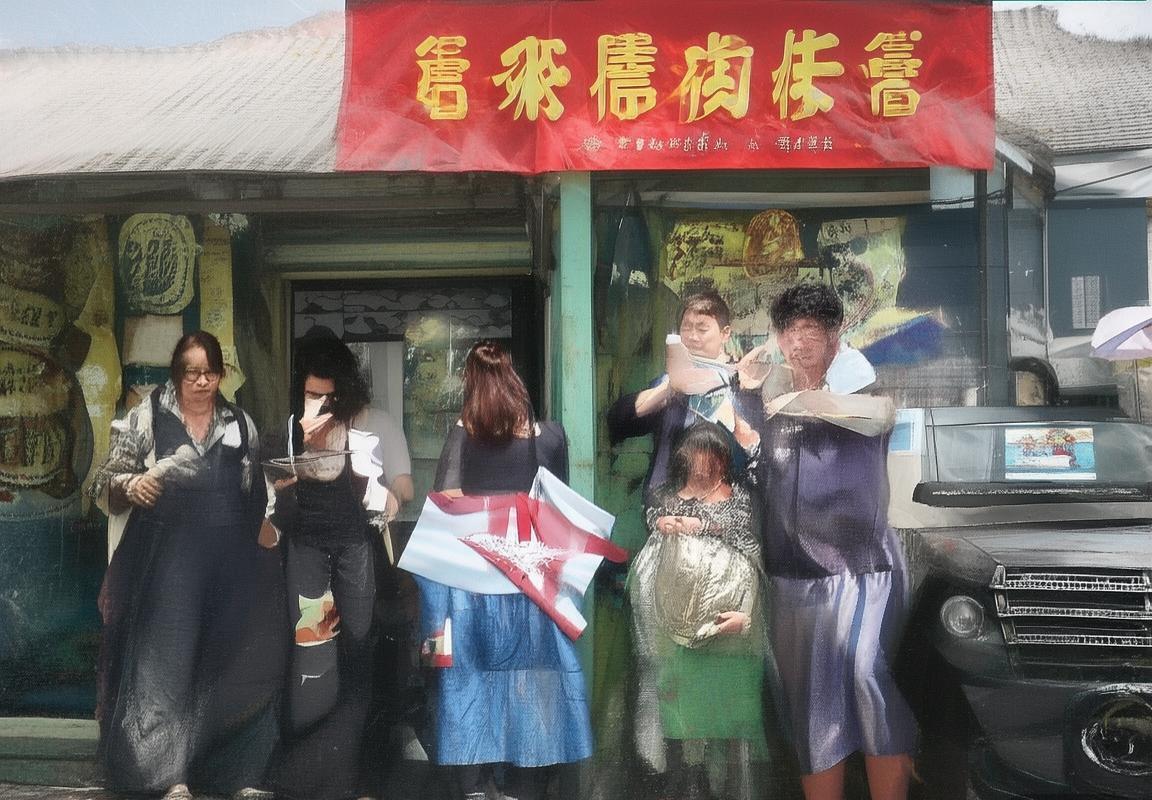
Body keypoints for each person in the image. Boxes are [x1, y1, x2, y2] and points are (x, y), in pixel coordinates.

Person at [737, 284, 917, 800]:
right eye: (790, 331)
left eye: (811, 331)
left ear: (835, 335)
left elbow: (880, 415)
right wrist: (749, 392)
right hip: (791, 575)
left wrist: (791, 398)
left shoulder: (863, 387)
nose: (799, 342)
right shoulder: (764, 398)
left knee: (866, 677)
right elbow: (747, 459)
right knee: (810, 705)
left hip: (861, 569)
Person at [90, 331, 283, 800]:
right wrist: (132, 486)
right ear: (176, 374)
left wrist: (268, 526)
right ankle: (166, 778)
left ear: (221, 375)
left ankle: (234, 775)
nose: (200, 382)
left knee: (228, 665)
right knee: (165, 668)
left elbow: (258, 494)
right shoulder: (147, 416)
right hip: (165, 562)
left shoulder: (239, 423)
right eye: (191, 373)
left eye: (209, 373)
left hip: (228, 562)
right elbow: (103, 482)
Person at [418, 339, 587, 800]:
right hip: (529, 587)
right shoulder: (549, 437)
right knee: (530, 683)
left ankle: (476, 785)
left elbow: (444, 501)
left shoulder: (462, 434)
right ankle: (525, 786)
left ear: (470, 384)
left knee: (471, 680)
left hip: (472, 587)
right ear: (516, 380)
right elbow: (559, 503)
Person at [267, 334, 395, 800]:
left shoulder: (360, 437)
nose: (320, 404)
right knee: (314, 655)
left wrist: (385, 500)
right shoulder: (287, 433)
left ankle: (354, 774)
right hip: (308, 554)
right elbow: (272, 508)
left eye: (328, 397)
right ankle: (310, 776)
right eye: (311, 395)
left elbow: (383, 499)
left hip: (352, 552)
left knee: (357, 650)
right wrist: (299, 447)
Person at [629, 422, 768, 800]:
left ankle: (727, 786)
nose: (705, 465)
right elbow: (650, 562)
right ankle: (687, 782)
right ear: (684, 457)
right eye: (698, 456)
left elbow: (745, 544)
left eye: (713, 457)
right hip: (673, 634)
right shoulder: (663, 498)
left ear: (724, 460)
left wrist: (699, 524)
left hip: (729, 635)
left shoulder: (740, 499)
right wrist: (662, 523)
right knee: (679, 714)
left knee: (727, 716)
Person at [607, 290, 735, 492]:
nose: (692, 337)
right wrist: (670, 388)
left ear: (725, 333)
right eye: (686, 328)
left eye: (702, 329)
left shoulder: (740, 387)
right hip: (667, 502)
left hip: (724, 502)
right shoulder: (667, 383)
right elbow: (619, 421)